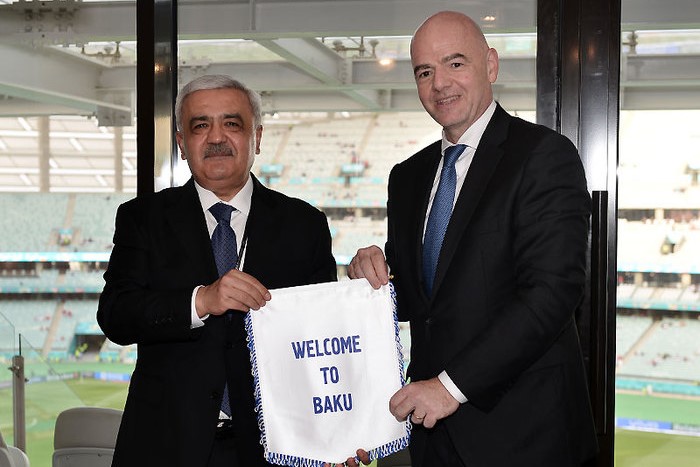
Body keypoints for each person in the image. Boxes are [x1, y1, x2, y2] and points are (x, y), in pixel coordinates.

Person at [346, 11, 598, 467]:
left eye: (455, 63)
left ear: (491, 65)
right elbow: (421, 299)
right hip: (431, 436)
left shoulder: (544, 155)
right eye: (425, 72)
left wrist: (450, 387)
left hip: (525, 437)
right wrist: (372, 273)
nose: (439, 83)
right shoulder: (407, 176)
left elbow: (552, 292)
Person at [97, 74, 337, 467]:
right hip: (166, 447)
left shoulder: (304, 224)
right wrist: (200, 301)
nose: (216, 137)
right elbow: (116, 316)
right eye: (200, 126)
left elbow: (324, 339)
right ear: (181, 144)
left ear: (257, 138)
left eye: (232, 123)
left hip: (277, 448)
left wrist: (341, 429)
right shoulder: (143, 219)